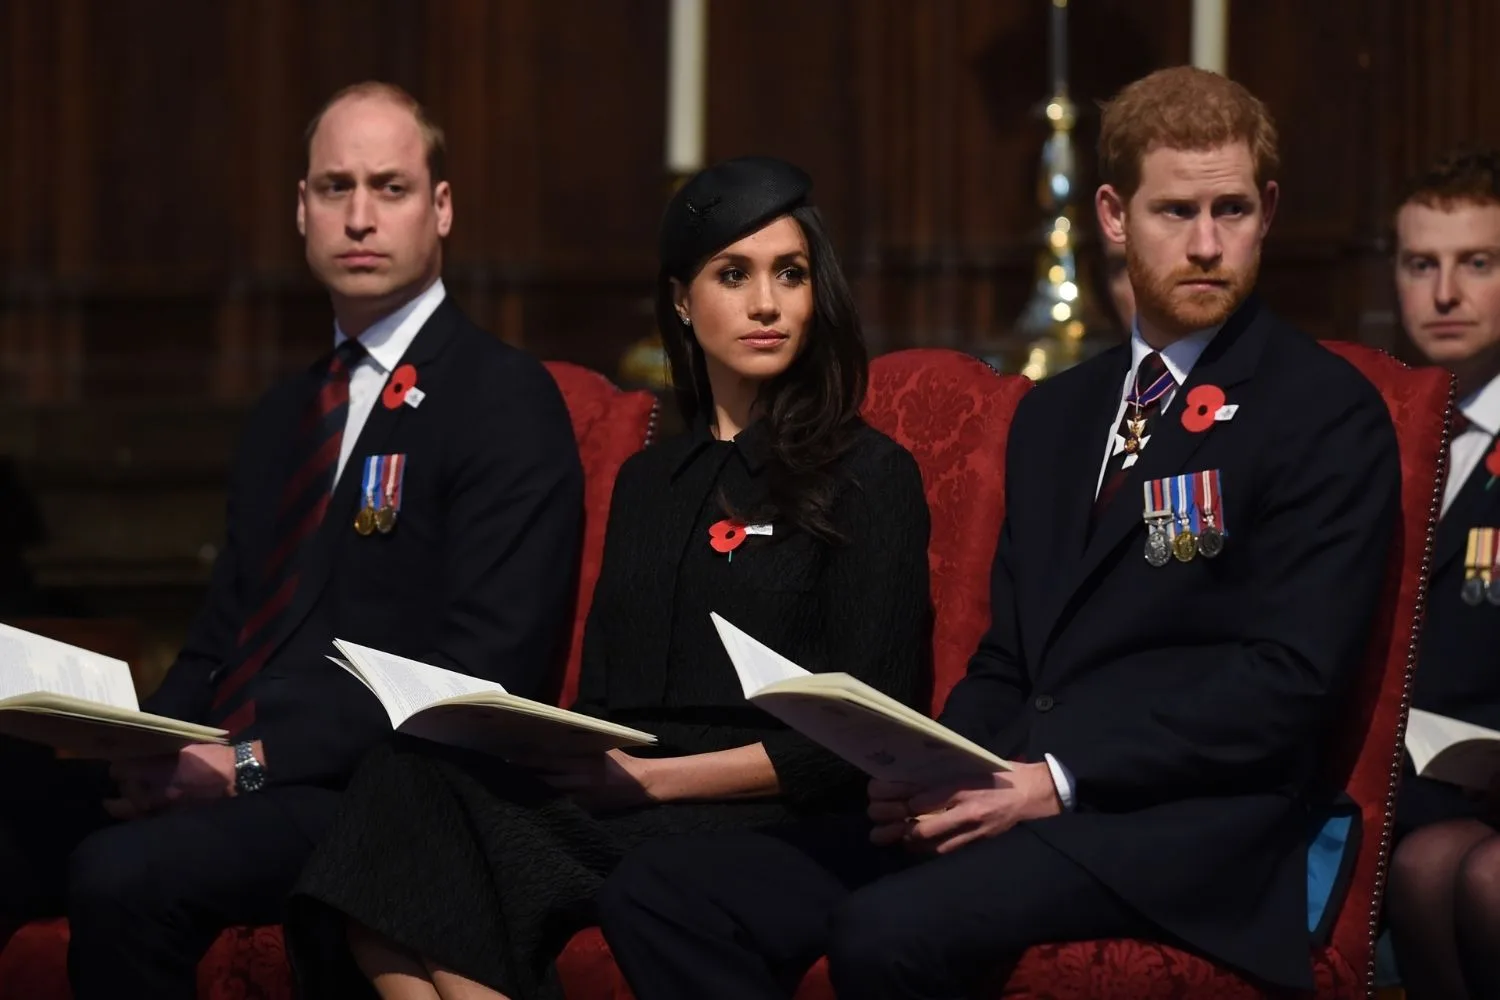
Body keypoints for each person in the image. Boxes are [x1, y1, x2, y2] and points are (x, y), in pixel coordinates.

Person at [597, 66, 1401, 998]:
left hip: (1186, 830)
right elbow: (1011, 662)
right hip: (1017, 796)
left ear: (1268, 210)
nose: (1208, 244)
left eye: (1231, 211)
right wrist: (931, 766)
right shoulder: (1060, 414)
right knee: (666, 894)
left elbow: (1286, 687)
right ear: (1112, 215)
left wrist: (1054, 779)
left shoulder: (1324, 409)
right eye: (1175, 212)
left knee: (887, 929)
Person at [282, 155, 933, 1000]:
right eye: (732, 275)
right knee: (402, 782)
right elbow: (606, 701)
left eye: (791, 274)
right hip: (628, 793)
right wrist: (547, 741)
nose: (766, 304)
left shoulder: (872, 474)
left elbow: (870, 730)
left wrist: (653, 779)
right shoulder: (646, 484)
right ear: (680, 301)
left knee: (437, 859)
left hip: (775, 811)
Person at [0, 81, 583, 999]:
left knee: (125, 875)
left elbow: (480, 673)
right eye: (334, 188)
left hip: (368, 794)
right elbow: (222, 639)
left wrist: (246, 766)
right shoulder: (284, 414)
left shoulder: (500, 397)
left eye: (389, 189)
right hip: (229, 761)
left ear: (441, 209)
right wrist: (141, 742)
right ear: (300, 210)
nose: (359, 216)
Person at [1384, 147, 1500, 1000]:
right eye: (1421, 264)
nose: (1445, 294)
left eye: (1477, 264)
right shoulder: (1372, 426)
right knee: (1426, 867)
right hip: (1402, 783)